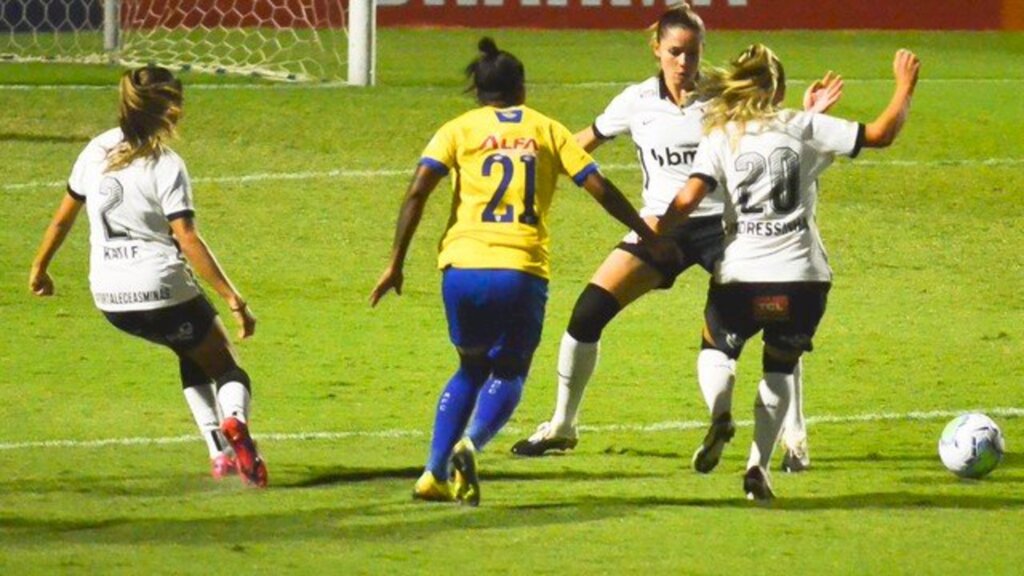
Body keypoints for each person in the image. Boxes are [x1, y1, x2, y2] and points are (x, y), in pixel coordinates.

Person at [510, 2, 843, 473]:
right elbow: (582, 140)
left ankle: (795, 438)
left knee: (778, 316)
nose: (684, 63)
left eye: (693, 53)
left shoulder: (721, 94)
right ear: (657, 49)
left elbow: (771, 127)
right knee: (586, 314)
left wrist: (807, 115)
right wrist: (534, 156)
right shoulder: (636, 102)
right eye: (675, 52)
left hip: (727, 226)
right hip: (660, 225)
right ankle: (563, 425)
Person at [370, 37, 679, 506]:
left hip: (462, 269)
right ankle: (470, 445)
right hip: (520, 270)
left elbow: (417, 192)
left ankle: (432, 473)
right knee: (509, 370)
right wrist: (647, 233)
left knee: (470, 367)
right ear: (522, 87)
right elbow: (601, 189)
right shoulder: (547, 130)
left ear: (478, 92)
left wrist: (395, 263)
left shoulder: (456, 130)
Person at [659, 45, 920, 500]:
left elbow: (687, 200)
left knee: (716, 349)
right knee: (780, 366)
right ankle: (759, 464)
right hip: (803, 280)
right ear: (779, 88)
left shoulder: (721, 134)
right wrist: (904, 86)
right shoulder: (806, 127)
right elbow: (880, 134)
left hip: (741, 276)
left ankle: (720, 412)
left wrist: (656, 230)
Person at [28, 66, 268, 488]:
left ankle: (219, 457)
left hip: (110, 299)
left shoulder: (95, 150)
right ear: (169, 109)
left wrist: (39, 267)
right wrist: (233, 298)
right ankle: (234, 422)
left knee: (189, 350)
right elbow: (187, 238)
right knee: (227, 366)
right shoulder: (166, 164)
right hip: (160, 287)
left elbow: (62, 220)